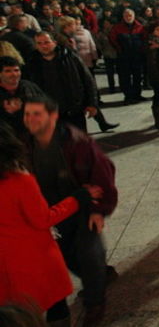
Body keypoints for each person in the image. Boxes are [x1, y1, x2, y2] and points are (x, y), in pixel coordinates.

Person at [23, 97, 119, 326]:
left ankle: (95, 305)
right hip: (54, 212)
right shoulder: (27, 144)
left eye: (37, 114)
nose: (31, 119)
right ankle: (99, 277)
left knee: (89, 255)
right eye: (27, 114)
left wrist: (97, 210)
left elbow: (103, 174)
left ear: (53, 116)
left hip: (83, 208)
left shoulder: (76, 142)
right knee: (66, 258)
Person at [0, 125, 101, 326]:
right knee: (55, 304)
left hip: (5, 266)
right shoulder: (18, 180)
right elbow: (43, 219)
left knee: (14, 315)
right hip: (33, 257)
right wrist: (78, 198)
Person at [24, 32, 98, 132]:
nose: (43, 46)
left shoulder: (69, 57)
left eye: (46, 42)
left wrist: (92, 103)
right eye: (39, 43)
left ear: (54, 43)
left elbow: (87, 80)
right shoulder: (32, 63)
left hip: (73, 109)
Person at [109, 9, 146, 104]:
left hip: (137, 56)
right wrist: (120, 50)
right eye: (126, 16)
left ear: (134, 16)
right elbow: (112, 39)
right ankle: (128, 96)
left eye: (130, 15)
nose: (128, 17)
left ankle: (137, 95)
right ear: (123, 17)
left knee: (138, 76)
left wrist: (141, 50)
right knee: (125, 77)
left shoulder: (140, 27)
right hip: (123, 57)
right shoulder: (117, 28)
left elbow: (144, 39)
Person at [1, 56, 43, 138]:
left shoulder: (29, 87)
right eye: (8, 71)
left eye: (16, 70)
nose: (14, 74)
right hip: (7, 138)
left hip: (33, 135)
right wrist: (8, 113)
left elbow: (45, 106)